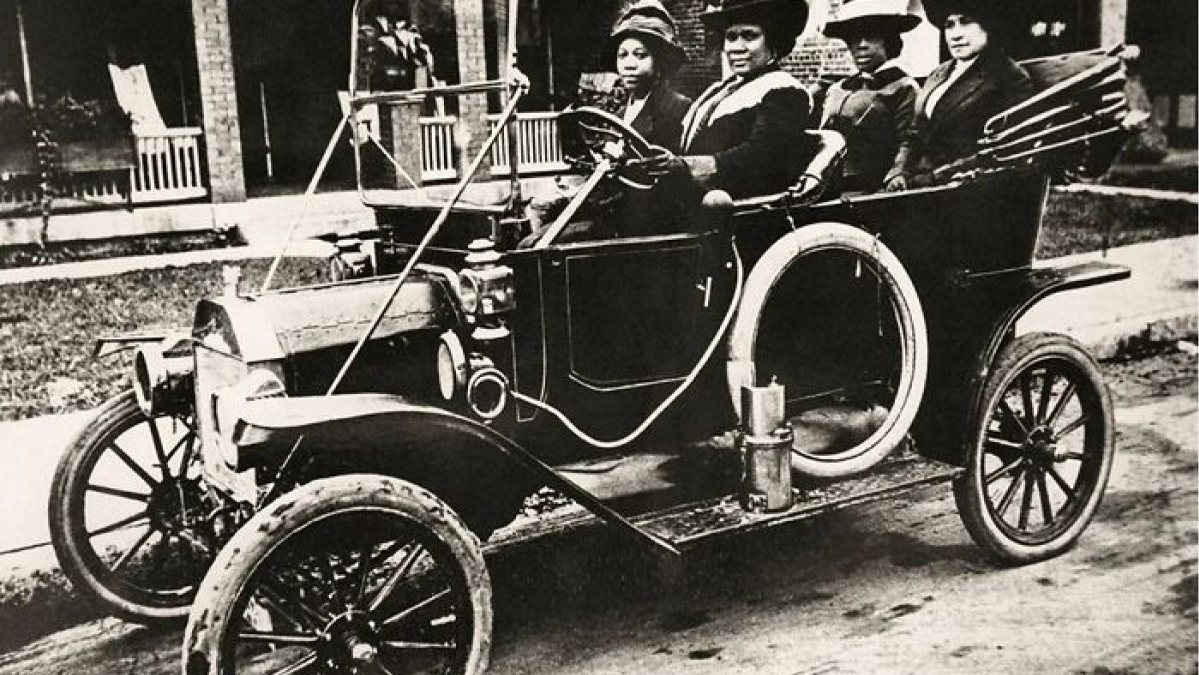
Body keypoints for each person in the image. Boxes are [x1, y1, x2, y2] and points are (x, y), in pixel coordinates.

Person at [640, 0, 813, 199]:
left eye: (749, 36)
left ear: (773, 41)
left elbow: (765, 155)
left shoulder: (785, 91)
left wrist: (689, 166)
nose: (736, 48)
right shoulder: (721, 89)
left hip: (739, 210)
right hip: (694, 200)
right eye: (731, 37)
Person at [884, 0, 1033, 190]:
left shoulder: (1007, 76)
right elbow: (915, 133)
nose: (956, 34)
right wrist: (899, 171)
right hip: (919, 185)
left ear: (989, 24)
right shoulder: (938, 73)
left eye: (966, 21)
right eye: (949, 25)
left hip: (969, 190)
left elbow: (999, 149)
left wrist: (930, 179)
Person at [820, 0, 921, 192]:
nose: (861, 46)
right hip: (829, 187)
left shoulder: (903, 87)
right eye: (854, 38)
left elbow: (909, 141)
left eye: (871, 37)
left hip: (874, 190)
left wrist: (896, 176)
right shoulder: (837, 88)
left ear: (889, 40)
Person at [608, 0, 693, 153]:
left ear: (660, 61)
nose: (629, 64)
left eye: (640, 55)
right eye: (622, 55)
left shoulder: (677, 108)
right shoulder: (619, 114)